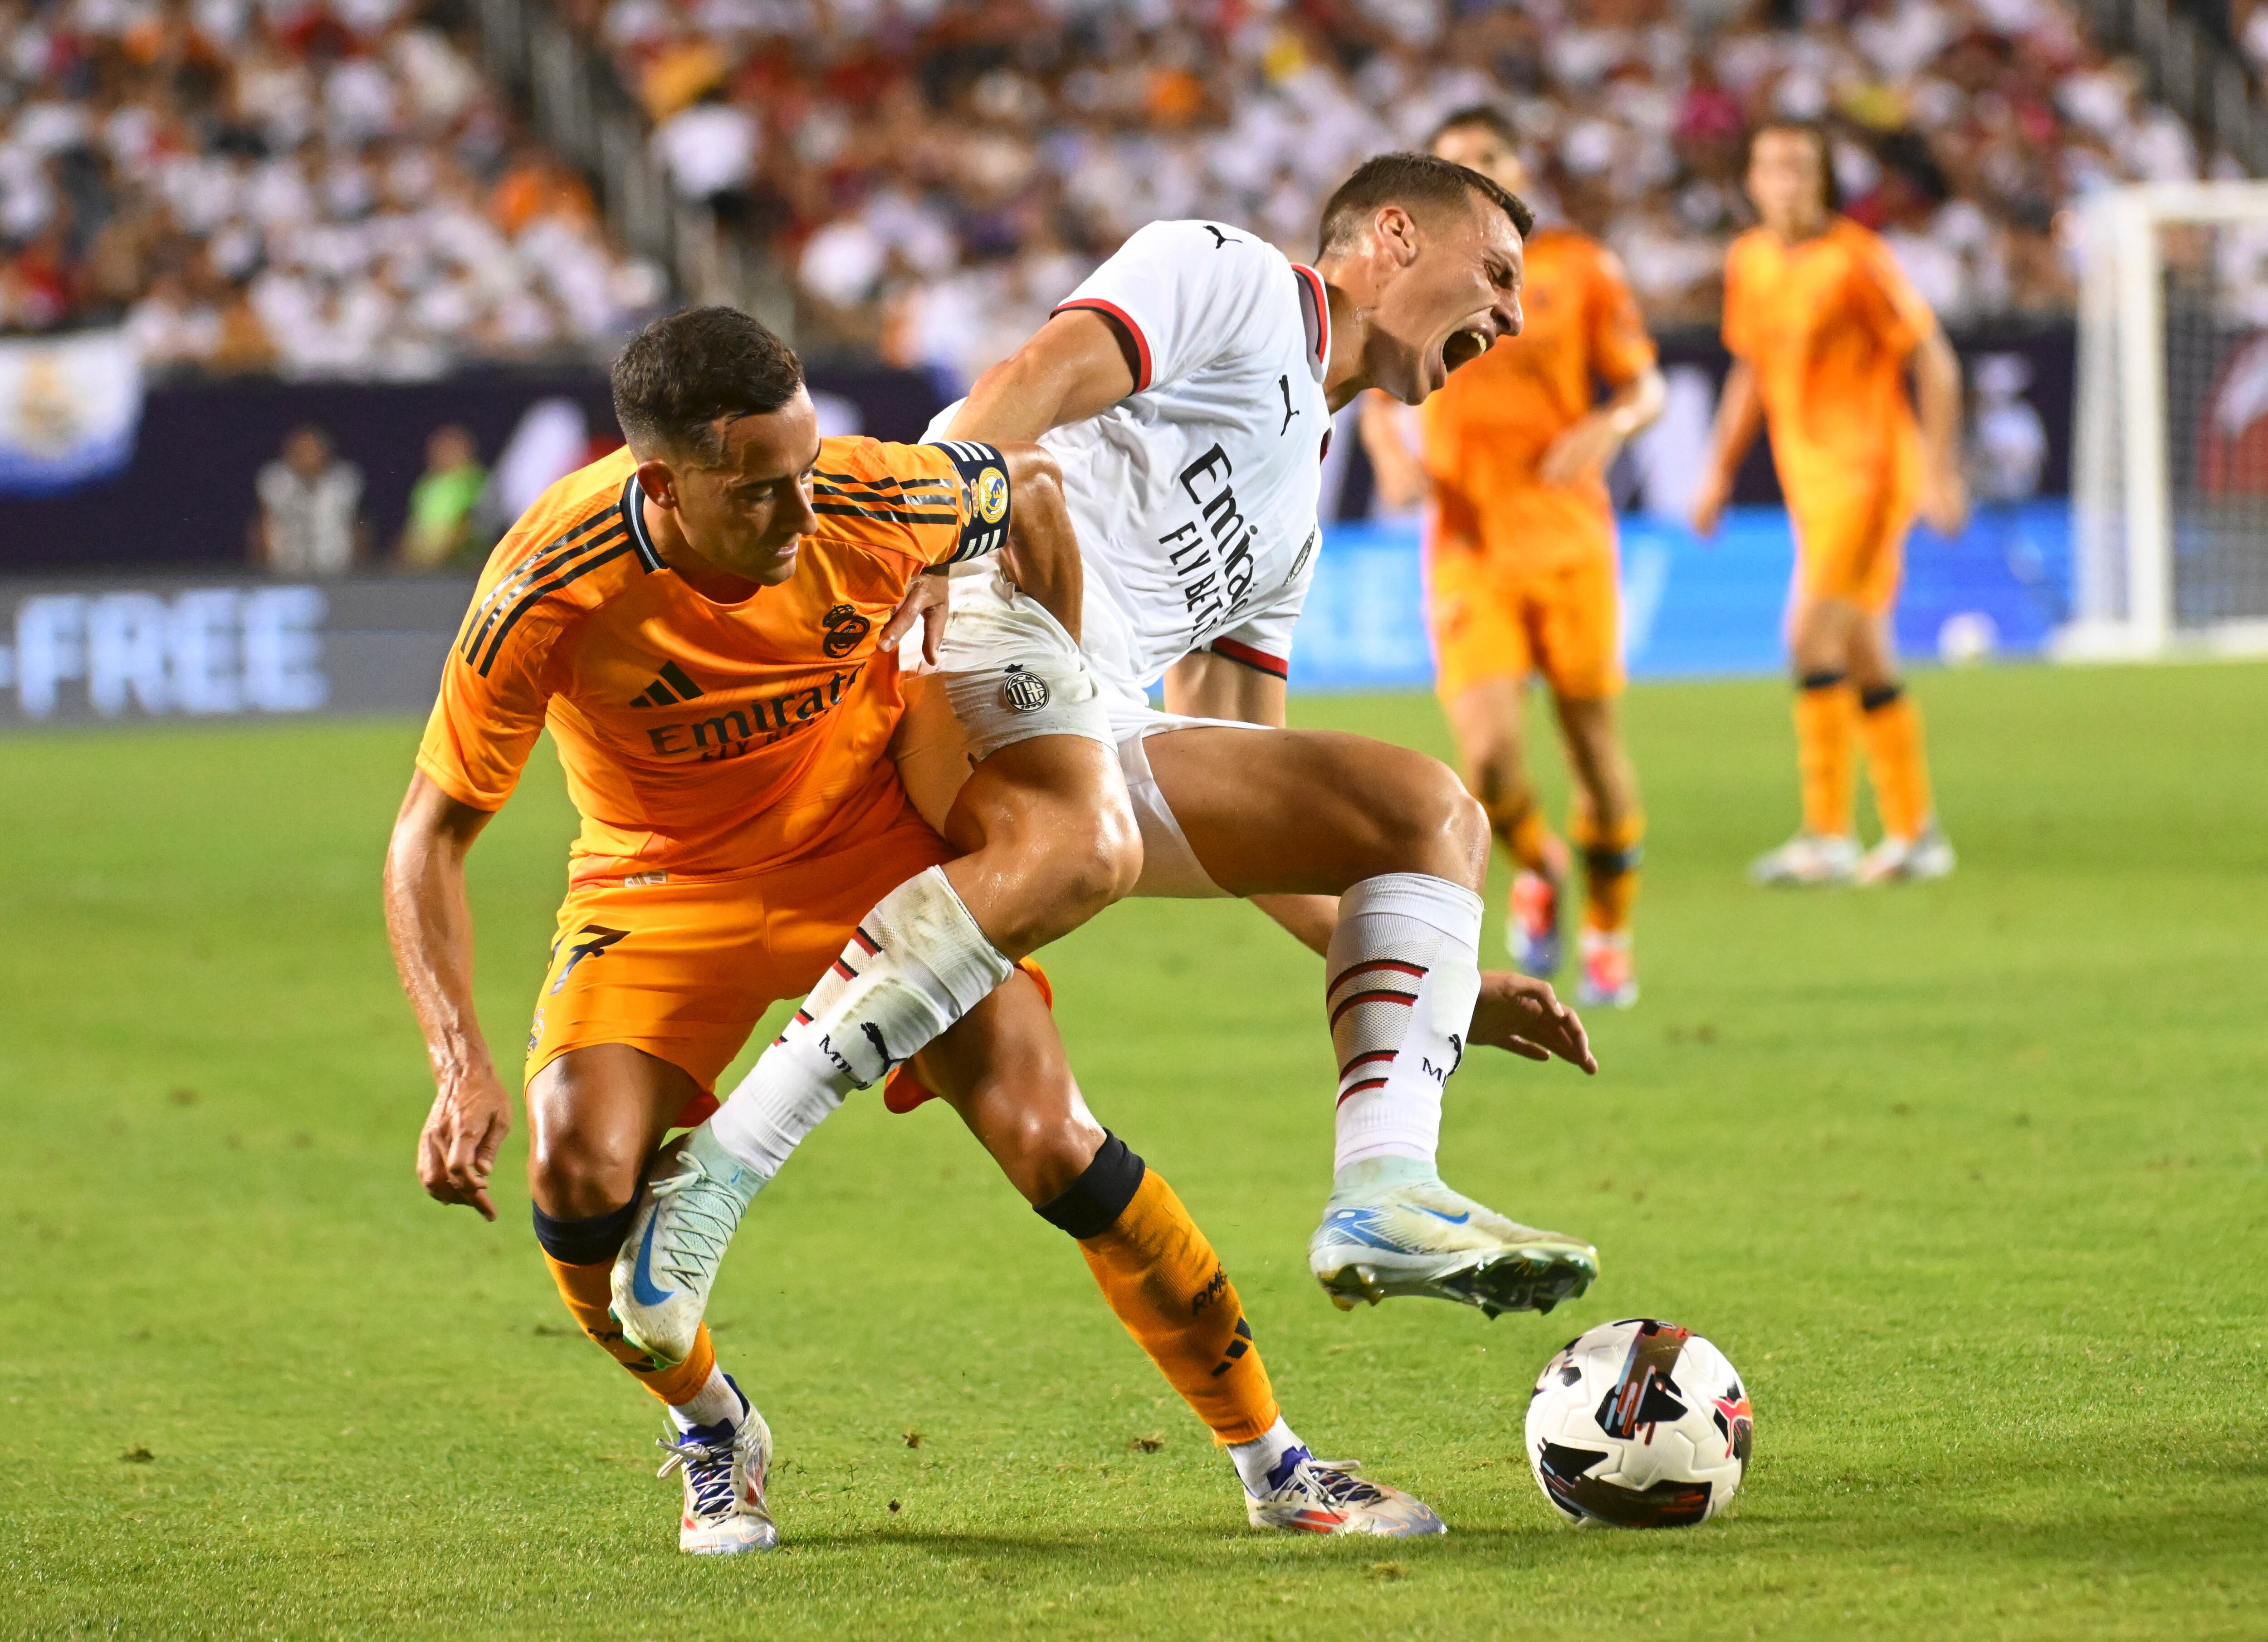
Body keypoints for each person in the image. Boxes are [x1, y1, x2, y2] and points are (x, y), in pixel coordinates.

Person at [385, 306, 1448, 1554]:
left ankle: (1277, 1463)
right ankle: (714, 1426)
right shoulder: (546, 585)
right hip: (659, 884)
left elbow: (1033, 489)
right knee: (577, 1172)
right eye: (759, 492)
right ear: (663, 484)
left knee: (1055, 1142)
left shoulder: (868, 495)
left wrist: (1070, 698)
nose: (800, 512)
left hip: (874, 852)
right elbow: (427, 838)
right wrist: (457, 1060)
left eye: (805, 467)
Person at [613, 153, 1606, 1381]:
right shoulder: (1231, 276)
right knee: (1087, 844)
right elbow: (1021, 388)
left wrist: (1427, 972)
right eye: (1497, 275)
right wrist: (932, 557)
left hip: (1080, 716)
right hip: (978, 607)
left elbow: (1250, 780)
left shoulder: (1295, 514)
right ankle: (716, 1175)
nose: (1512, 316)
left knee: (1428, 815)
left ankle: (1386, 1189)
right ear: (1393, 236)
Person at [1359, 106, 1665, 1008]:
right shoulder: (1408, 276)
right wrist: (1389, 454)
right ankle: (1540, 865)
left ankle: (1608, 931)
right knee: (1488, 763)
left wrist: (1610, 424)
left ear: (1519, 169)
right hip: (1468, 546)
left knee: (1592, 744)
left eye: (1489, 157)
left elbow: (1644, 384)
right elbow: (1373, 387)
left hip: (1569, 540)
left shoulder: (1578, 268)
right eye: (1456, 164)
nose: (1477, 173)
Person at [1688, 122, 1965, 886]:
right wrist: (1716, 472)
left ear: (1823, 180)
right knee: (1863, 648)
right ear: (1751, 182)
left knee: (1810, 634)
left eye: (1801, 168)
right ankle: (1914, 832)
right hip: (1811, 481)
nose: (1787, 181)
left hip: (1869, 475)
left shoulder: (1857, 260)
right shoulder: (1751, 260)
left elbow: (1936, 362)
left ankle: (1828, 833)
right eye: (1772, 167)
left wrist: (1940, 471)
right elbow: (1752, 368)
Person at [252, 425, 364, 575]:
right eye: (301, 450)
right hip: (285, 570)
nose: (307, 456)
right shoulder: (274, 479)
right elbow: (261, 526)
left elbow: (359, 527)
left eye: (313, 450)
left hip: (337, 570)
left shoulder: (345, 479)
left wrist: (360, 570)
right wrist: (260, 572)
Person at [396, 425, 489, 570]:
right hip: (421, 566)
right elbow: (414, 527)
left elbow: (464, 528)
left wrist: (432, 558)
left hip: (459, 568)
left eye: (452, 447)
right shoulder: (426, 484)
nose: (445, 452)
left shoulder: (475, 482)